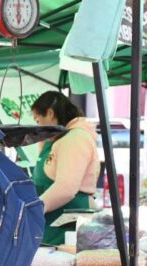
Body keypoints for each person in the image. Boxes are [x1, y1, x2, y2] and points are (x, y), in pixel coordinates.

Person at [31, 91, 99, 245]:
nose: (37, 127)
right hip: (51, 224)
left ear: (49, 113)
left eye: (37, 120)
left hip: (67, 225)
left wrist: (34, 209)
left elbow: (66, 187)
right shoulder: (56, 140)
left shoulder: (75, 138)